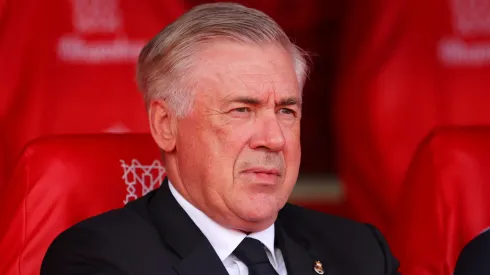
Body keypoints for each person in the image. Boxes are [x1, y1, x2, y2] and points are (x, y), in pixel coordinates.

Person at [41, 3, 400, 275]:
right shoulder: (100, 259)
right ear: (166, 125)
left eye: (286, 111)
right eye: (242, 110)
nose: (274, 139)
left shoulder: (361, 252)